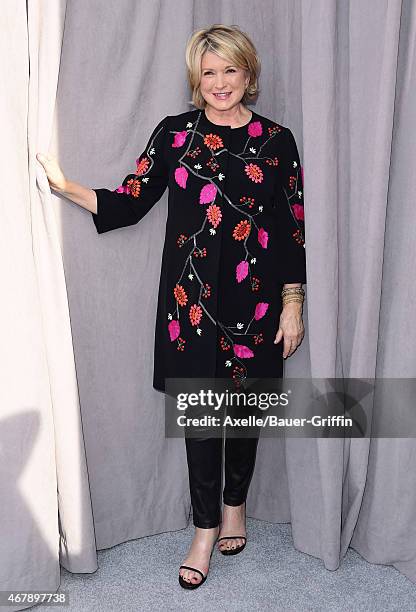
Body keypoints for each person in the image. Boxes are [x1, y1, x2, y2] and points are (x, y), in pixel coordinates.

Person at [37, 24, 306, 590]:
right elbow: (131, 201)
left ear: (248, 75)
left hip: (256, 306)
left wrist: (292, 302)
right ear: (195, 81)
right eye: (208, 72)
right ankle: (204, 530)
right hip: (191, 307)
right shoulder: (175, 135)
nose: (219, 82)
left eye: (229, 70)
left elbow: (289, 230)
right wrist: (65, 184)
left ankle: (237, 504)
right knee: (203, 422)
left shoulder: (278, 143)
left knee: (246, 413)